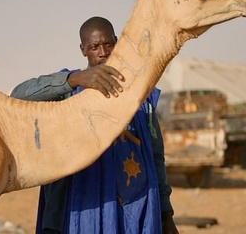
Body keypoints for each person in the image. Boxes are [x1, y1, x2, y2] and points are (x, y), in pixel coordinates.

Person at [11, 16, 179, 234]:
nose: (103, 52)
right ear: (83, 50)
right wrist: (74, 79)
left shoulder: (140, 95)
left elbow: (156, 157)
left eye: (108, 44)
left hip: (135, 210)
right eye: (94, 46)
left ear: (117, 42)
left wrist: (166, 213)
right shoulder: (69, 90)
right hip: (82, 208)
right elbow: (19, 95)